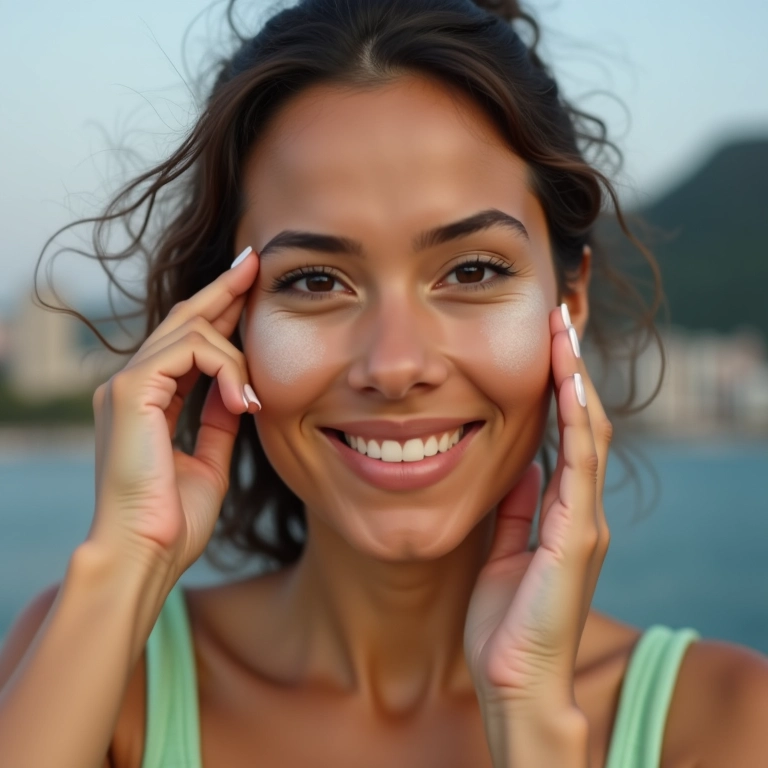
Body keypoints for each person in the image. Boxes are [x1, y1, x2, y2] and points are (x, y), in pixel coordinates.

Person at [1, 0, 767, 765]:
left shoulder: (727, 722)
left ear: (568, 302)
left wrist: (533, 722)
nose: (396, 366)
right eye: (314, 281)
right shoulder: (89, 664)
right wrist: (124, 563)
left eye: (471, 271)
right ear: (224, 323)